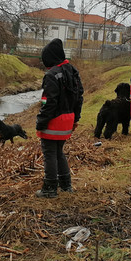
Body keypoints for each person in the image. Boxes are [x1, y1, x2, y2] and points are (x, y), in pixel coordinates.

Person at [35, 38, 84, 198]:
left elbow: (48, 103)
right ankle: (66, 184)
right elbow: (79, 97)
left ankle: (49, 188)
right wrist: (76, 118)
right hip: (68, 119)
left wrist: (40, 122)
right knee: (59, 152)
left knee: (50, 153)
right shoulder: (73, 71)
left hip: (54, 120)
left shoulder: (52, 75)